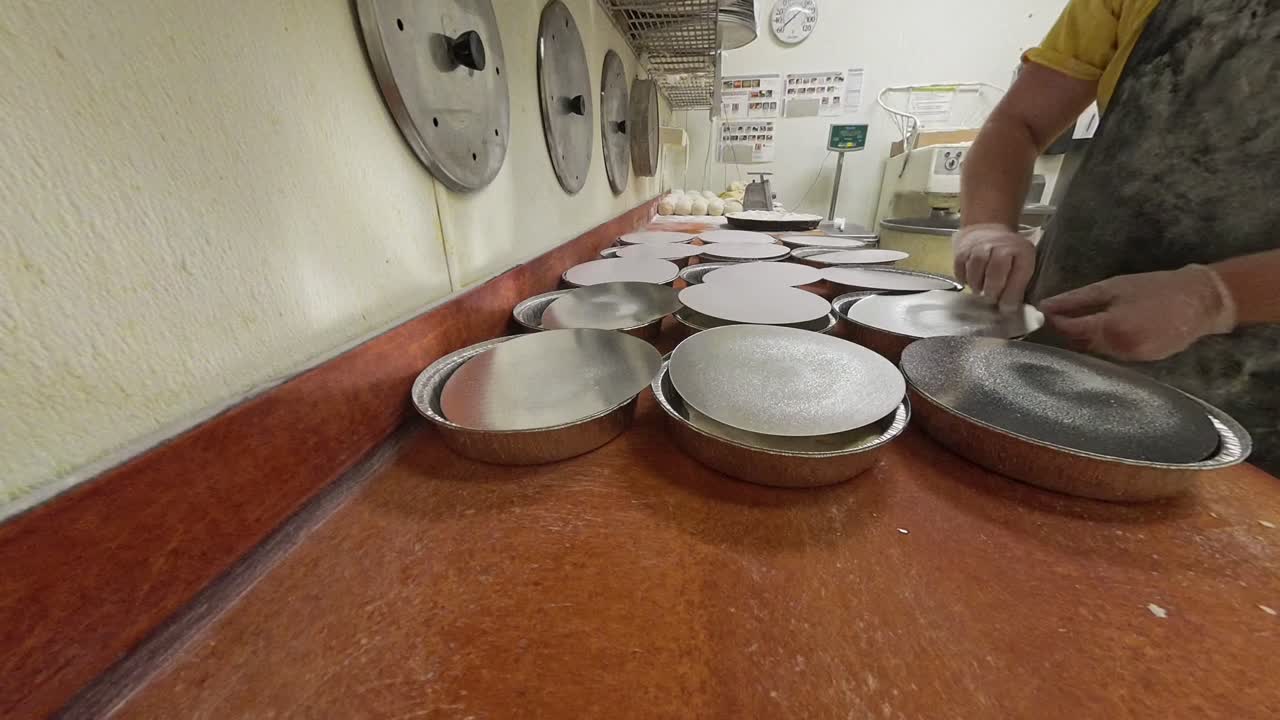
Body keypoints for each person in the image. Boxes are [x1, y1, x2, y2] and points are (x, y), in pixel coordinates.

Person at [952, 0, 1279, 474]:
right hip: (1066, 327)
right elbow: (1017, 123)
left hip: (1250, 386)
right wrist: (987, 226)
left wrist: (1214, 297)